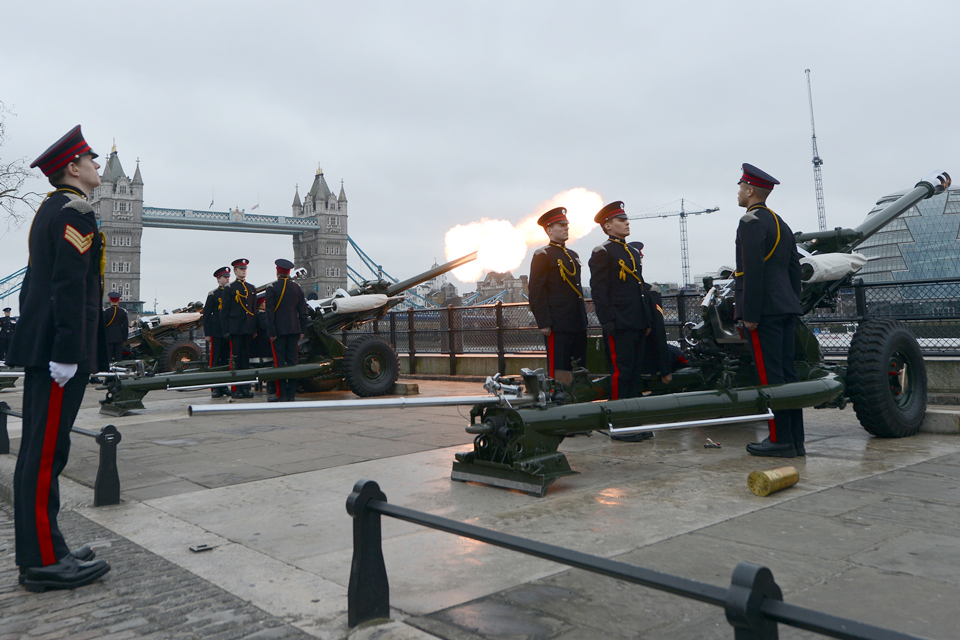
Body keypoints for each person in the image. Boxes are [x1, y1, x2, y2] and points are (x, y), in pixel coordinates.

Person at [6, 125, 110, 591]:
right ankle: (45, 562)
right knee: (46, 455)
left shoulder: (53, 210)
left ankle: (48, 548)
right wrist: (69, 351)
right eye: (92, 160)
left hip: (44, 348)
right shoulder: (76, 213)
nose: (97, 167)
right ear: (74, 167)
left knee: (39, 452)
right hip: (57, 354)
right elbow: (69, 287)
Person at [734, 163, 804, 458]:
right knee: (787, 375)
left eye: (740, 187)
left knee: (770, 377)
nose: (738, 192)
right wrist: (791, 301)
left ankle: (779, 439)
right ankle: (795, 439)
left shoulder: (750, 222)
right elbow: (794, 270)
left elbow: (752, 271)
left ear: (750, 191)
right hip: (785, 307)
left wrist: (750, 314)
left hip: (763, 312)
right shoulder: (780, 223)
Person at [589, 202, 653, 443]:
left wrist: (646, 319)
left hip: (636, 321)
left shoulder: (631, 252)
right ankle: (619, 423)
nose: (627, 223)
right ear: (607, 225)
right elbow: (599, 292)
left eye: (626, 219)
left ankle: (632, 420)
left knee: (635, 374)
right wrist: (607, 322)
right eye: (620, 220)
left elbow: (639, 289)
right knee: (621, 374)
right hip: (619, 323)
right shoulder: (602, 252)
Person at [528, 207, 588, 386]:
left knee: (579, 366)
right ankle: (559, 399)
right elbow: (536, 291)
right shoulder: (543, 255)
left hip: (577, 320)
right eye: (561, 225)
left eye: (566, 225)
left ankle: (578, 397)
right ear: (549, 230)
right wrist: (544, 321)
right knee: (559, 367)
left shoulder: (572, 255)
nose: (566, 228)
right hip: (558, 322)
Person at [265, 259, 309, 402]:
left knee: (279, 364)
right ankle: (291, 395)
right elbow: (303, 311)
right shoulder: (297, 288)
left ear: (277, 272)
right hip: (294, 330)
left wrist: (272, 333)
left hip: (278, 332)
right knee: (293, 363)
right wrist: (302, 329)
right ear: (288, 272)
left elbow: (269, 313)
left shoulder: (272, 288)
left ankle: (281, 394)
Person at [221, 258, 257, 398]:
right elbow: (225, 311)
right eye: (241, 269)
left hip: (247, 328)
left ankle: (246, 388)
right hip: (235, 329)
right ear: (235, 271)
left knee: (246, 360)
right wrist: (226, 330)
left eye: (245, 269)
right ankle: (236, 389)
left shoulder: (251, 288)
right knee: (236, 360)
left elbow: (253, 311)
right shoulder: (230, 288)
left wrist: (253, 329)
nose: (243, 271)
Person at [202, 266, 231, 397]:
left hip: (227, 331)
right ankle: (214, 387)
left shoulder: (231, 292)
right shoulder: (213, 294)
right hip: (216, 331)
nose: (227, 279)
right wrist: (207, 333)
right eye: (225, 277)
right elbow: (207, 315)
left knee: (225, 359)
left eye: (228, 277)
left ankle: (224, 386)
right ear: (218, 279)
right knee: (215, 359)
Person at [103, 292, 129, 362]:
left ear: (110, 300)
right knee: (118, 358)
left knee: (108, 358)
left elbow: (102, 327)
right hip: (119, 338)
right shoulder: (123, 312)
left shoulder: (105, 312)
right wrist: (124, 338)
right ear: (118, 300)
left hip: (108, 338)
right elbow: (125, 327)